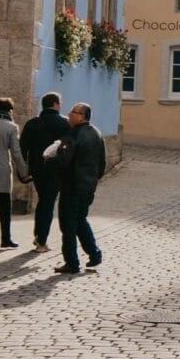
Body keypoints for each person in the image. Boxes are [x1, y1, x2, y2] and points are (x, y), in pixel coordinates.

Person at [53, 102, 107, 274]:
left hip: (72, 185)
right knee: (80, 220)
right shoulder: (97, 133)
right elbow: (102, 163)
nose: (69, 115)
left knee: (68, 224)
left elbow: (64, 161)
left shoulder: (74, 134)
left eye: (73, 112)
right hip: (88, 186)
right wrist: (93, 180)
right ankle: (94, 253)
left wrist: (51, 158)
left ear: (82, 116)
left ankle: (72, 262)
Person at [19, 92, 70, 251]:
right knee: (47, 202)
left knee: (43, 200)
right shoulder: (65, 124)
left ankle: (38, 235)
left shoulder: (32, 123)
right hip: (56, 169)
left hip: (37, 168)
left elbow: (23, 147)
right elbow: (69, 147)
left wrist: (25, 169)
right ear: (55, 104)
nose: (61, 105)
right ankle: (41, 240)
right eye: (60, 102)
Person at [0, 97, 28, 249]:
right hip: (3, 169)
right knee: (5, 207)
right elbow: (16, 152)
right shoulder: (11, 127)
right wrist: (23, 172)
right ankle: (6, 239)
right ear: (9, 110)